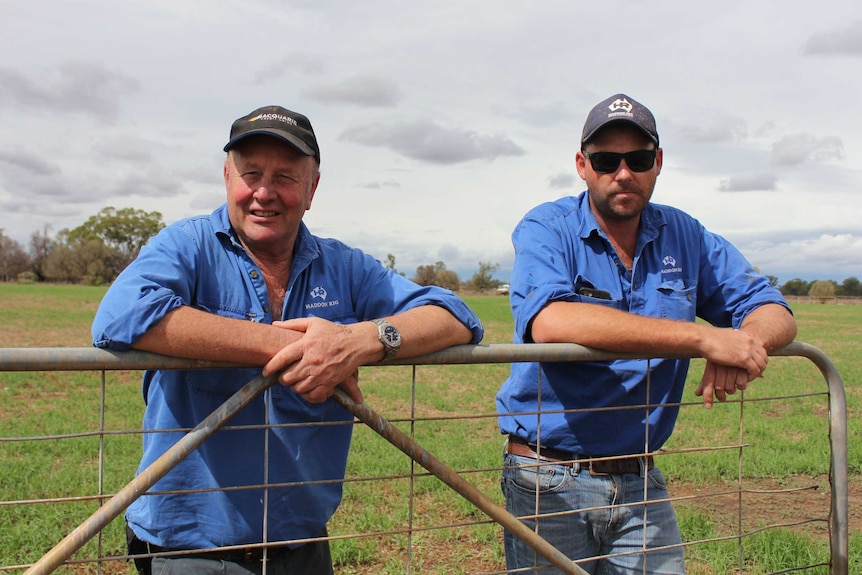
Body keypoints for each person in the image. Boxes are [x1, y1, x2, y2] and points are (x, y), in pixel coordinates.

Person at [91, 105, 484, 575]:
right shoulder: (188, 246)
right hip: (191, 547)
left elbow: (455, 316)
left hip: (301, 544)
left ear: (312, 189)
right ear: (226, 178)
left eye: (284, 177)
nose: (263, 193)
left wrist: (363, 339)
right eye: (250, 173)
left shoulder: (343, 267)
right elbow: (121, 314)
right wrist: (285, 346)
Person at [495, 94, 796, 574]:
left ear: (657, 163)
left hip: (641, 475)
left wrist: (745, 343)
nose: (622, 172)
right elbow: (551, 321)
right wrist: (702, 338)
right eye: (605, 160)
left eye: (637, 159)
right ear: (582, 165)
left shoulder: (685, 234)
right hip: (548, 476)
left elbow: (771, 307)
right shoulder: (547, 227)